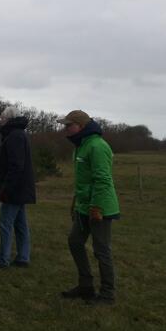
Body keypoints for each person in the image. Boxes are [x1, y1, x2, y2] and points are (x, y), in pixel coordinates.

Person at [60, 110, 120, 305]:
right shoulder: (81, 146)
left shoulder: (97, 146)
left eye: (69, 125)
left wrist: (97, 207)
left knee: (101, 250)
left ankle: (107, 294)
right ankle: (86, 286)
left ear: (81, 126)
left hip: (100, 207)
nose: (65, 129)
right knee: (75, 241)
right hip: (84, 206)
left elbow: (102, 180)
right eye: (65, 125)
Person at [0, 106, 36, 269]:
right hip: (20, 188)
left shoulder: (15, 136)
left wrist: (6, 188)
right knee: (20, 224)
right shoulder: (17, 134)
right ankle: (23, 257)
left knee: (6, 224)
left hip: (14, 189)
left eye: (1, 117)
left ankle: (3, 259)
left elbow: (16, 165)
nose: (0, 119)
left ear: (8, 119)